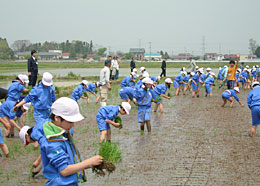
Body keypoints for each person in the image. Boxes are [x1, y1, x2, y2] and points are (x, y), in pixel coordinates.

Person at [21, 97, 104, 186]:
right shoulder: (52, 141)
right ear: (57, 118)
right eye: (70, 121)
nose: (73, 125)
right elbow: (64, 170)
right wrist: (89, 162)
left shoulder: (60, 131)